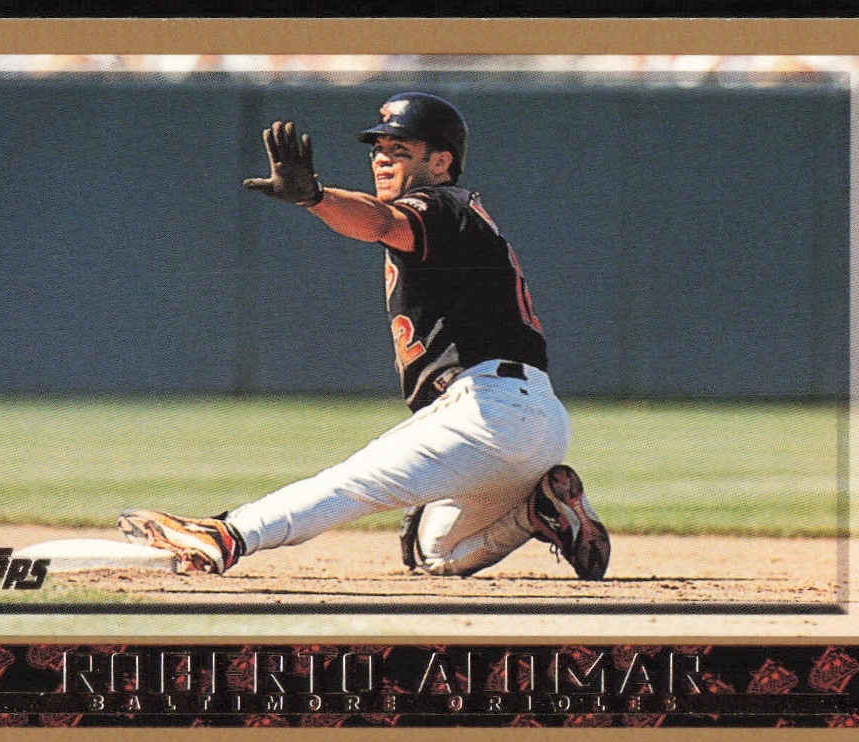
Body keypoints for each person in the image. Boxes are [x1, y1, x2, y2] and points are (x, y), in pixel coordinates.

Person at [117, 92, 610, 580]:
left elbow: (379, 221)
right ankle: (540, 512)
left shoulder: (441, 205)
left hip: (487, 411)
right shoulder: (460, 217)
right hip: (539, 424)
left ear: (441, 162)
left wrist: (314, 197)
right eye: (378, 149)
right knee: (432, 551)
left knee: (351, 485)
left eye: (401, 150)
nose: (382, 158)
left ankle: (227, 536)